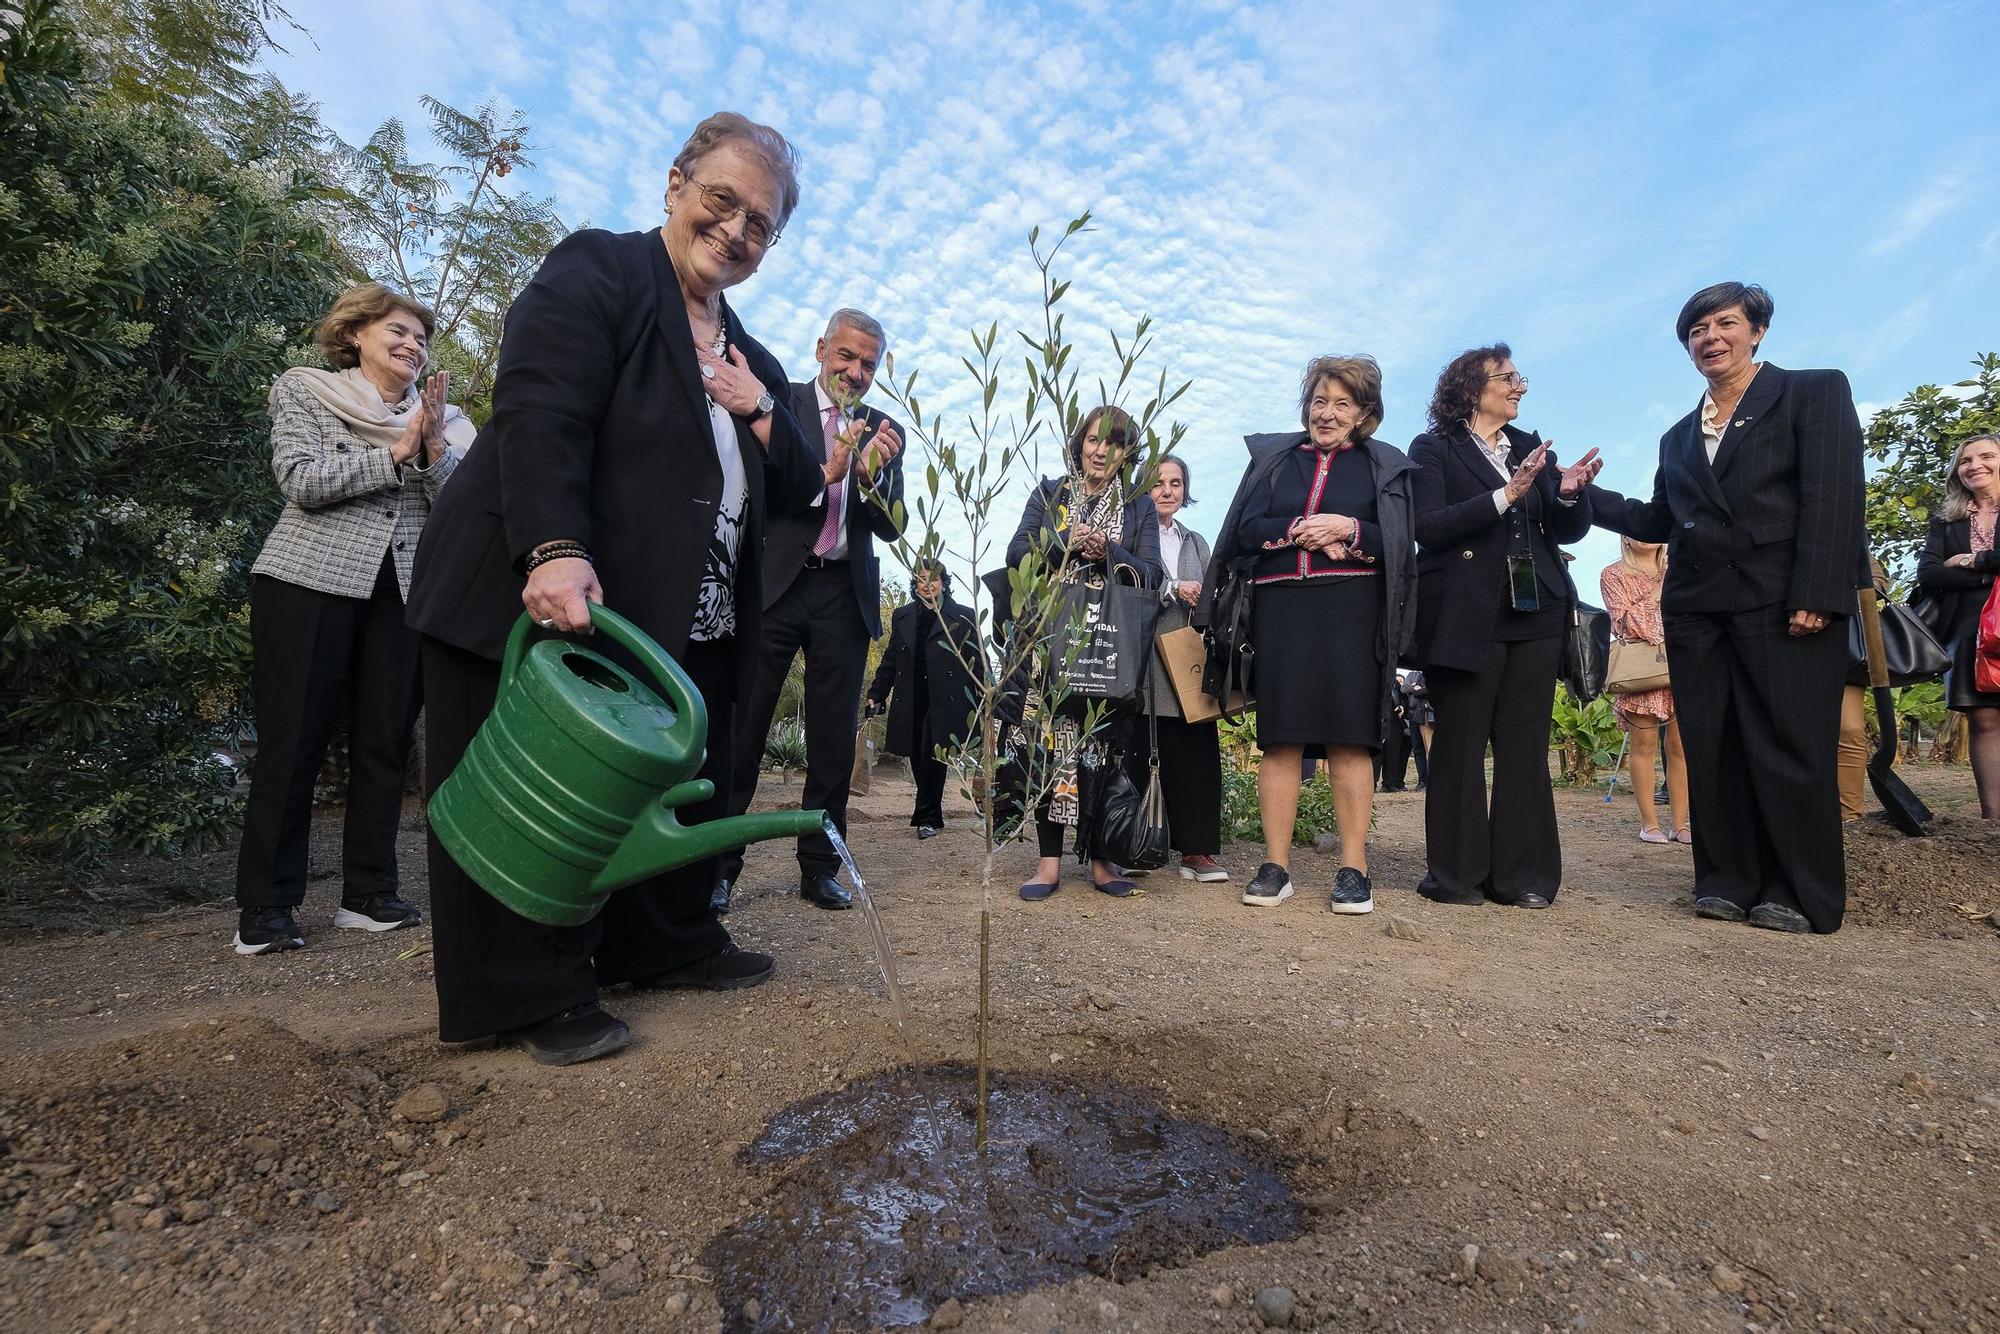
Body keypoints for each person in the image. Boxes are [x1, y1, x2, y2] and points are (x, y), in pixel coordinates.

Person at [404, 112, 823, 1064]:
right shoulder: (602, 268)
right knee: (532, 794)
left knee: (666, 779)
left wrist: (755, 403)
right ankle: (521, 994)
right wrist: (551, 546)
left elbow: (801, 483)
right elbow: (540, 402)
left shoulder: (744, 348)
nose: (736, 231)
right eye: (723, 201)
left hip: (678, 611)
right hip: (529, 581)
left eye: (761, 223)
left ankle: (661, 944)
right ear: (675, 184)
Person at [1588, 282, 1865, 934]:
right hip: (1698, 614)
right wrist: (1583, 497)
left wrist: (1818, 594)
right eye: (1696, 330)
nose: (1710, 338)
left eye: (1724, 323)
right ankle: (1726, 881)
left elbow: (1834, 496)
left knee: (1790, 749)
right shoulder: (1678, 437)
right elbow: (1658, 517)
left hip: (1784, 605)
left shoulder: (1812, 392)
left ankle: (1798, 891)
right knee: (1715, 749)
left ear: (1757, 331)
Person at [233, 282, 473, 955]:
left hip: (402, 592)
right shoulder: (307, 390)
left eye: (421, 340)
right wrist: (395, 452)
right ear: (356, 334)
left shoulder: (446, 421)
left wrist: (429, 450)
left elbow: (457, 510)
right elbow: (301, 481)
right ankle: (266, 906)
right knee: (294, 742)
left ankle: (369, 894)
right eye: (397, 331)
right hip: (307, 581)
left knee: (385, 743)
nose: (412, 346)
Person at [712, 310, 906, 914]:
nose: (855, 371)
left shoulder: (883, 427)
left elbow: (892, 527)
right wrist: (832, 472)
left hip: (843, 595)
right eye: (846, 356)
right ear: (822, 348)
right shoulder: (780, 404)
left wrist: (872, 480)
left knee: (829, 743)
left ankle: (821, 866)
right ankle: (718, 867)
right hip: (776, 586)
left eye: (868, 363)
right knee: (742, 731)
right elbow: (763, 491)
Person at [1205, 355, 1415, 914]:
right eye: (1319, 402)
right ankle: (1275, 865)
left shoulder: (1382, 467)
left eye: (1341, 404)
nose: (1327, 413)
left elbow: (1398, 540)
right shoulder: (1276, 464)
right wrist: (1297, 530)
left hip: (1352, 611)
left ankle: (1353, 868)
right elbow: (1244, 531)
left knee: (1351, 739)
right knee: (1281, 740)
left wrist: (1350, 529)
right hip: (1282, 613)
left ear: (1364, 413)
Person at [1409, 344, 1599, 910]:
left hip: (1537, 609)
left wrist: (1568, 494)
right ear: (1472, 387)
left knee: (1524, 745)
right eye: (1508, 378)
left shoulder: (1530, 448)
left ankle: (1525, 878)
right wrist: (1504, 495)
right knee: (1461, 746)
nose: (1520, 387)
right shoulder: (1434, 448)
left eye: (1520, 378)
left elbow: (1564, 532)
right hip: (1468, 617)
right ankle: (1456, 876)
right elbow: (1428, 527)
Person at [1006, 405, 1164, 900]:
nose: (1101, 451)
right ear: (1080, 443)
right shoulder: (1052, 493)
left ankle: (1102, 860)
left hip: (1109, 644)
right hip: (1049, 644)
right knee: (1047, 745)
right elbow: (1017, 554)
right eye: (1094, 439)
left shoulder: (1138, 505)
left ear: (1127, 454)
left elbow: (1154, 574)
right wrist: (1063, 541)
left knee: (1105, 747)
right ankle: (1048, 864)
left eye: (1114, 444)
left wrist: (1110, 553)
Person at [1126, 455, 1230, 881]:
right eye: (1157, 483)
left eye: (1175, 483)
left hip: (1185, 660)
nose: (1167, 491)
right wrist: (1172, 587)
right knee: (1134, 752)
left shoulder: (1197, 542)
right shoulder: (1129, 536)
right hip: (1140, 658)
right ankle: (1132, 846)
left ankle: (1196, 850)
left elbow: (1214, 593)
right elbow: (1125, 581)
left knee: (1194, 754)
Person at [865, 560, 984, 836]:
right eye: (921, 579)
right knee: (918, 757)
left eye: (934, 579)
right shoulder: (903, 616)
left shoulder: (962, 616)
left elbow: (979, 662)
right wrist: (877, 694)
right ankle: (930, 811)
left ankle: (927, 817)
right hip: (912, 698)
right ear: (915, 584)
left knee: (934, 755)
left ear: (944, 583)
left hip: (947, 700)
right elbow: (891, 659)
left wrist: (986, 696)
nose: (928, 584)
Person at [1915, 432, 2000, 818]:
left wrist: (1972, 561)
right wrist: (1989, 573)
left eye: (1986, 456)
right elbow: (1930, 573)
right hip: (1967, 628)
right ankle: (1992, 818)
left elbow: (1951, 568)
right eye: (1966, 460)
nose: (1975, 465)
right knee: (1984, 720)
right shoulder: (1944, 521)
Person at [1600, 536, 1690, 842]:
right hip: (1642, 672)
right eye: (1636, 531)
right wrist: (1659, 589)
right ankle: (1648, 823)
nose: (1645, 536)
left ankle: (1680, 823)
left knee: (1679, 747)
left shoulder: (1679, 568)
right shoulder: (1614, 574)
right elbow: (1625, 624)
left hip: (1682, 663)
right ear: (1624, 538)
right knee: (1644, 746)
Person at [1836, 555, 1893, 822]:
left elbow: (1878, 582)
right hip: (1782, 644)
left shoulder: (1841, 526)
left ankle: (1849, 817)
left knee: (1850, 729)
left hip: (1844, 649)